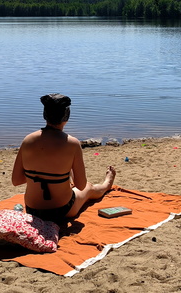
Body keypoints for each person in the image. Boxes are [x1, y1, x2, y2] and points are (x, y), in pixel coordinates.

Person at [11, 93, 116, 223]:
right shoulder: (72, 143)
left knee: (64, 179)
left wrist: (41, 175)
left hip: (33, 209)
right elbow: (81, 185)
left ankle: (65, 178)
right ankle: (107, 184)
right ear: (66, 116)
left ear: (45, 115)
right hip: (62, 209)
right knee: (88, 187)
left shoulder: (28, 140)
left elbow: (16, 180)